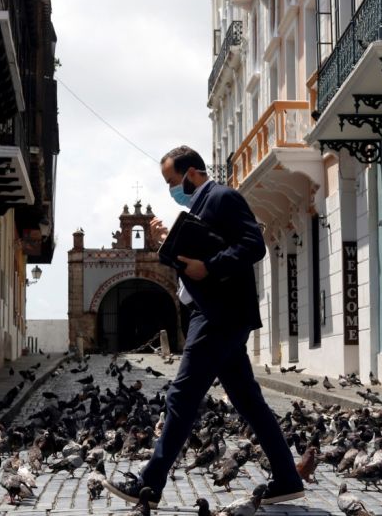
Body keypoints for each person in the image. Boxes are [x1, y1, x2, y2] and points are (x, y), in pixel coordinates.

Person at [104, 146, 304, 507]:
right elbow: (194, 260)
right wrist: (169, 243)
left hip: (218, 315)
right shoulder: (196, 208)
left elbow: (253, 245)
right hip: (214, 312)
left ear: (192, 173)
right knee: (248, 402)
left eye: (172, 180)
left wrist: (209, 266)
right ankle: (288, 479)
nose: (171, 189)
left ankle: (150, 484)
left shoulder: (223, 197)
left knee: (181, 396)